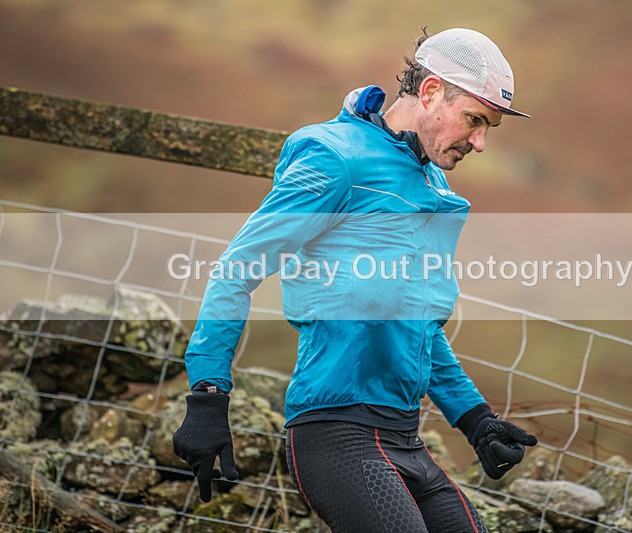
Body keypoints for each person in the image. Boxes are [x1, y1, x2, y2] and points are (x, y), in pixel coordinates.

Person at [173, 27, 538, 532]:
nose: (479, 142)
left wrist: (474, 419)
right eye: (474, 120)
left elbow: (420, 329)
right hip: (336, 435)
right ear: (430, 92)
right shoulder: (334, 158)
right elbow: (238, 269)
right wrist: (208, 396)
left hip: (405, 439)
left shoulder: (434, 185)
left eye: (489, 128)